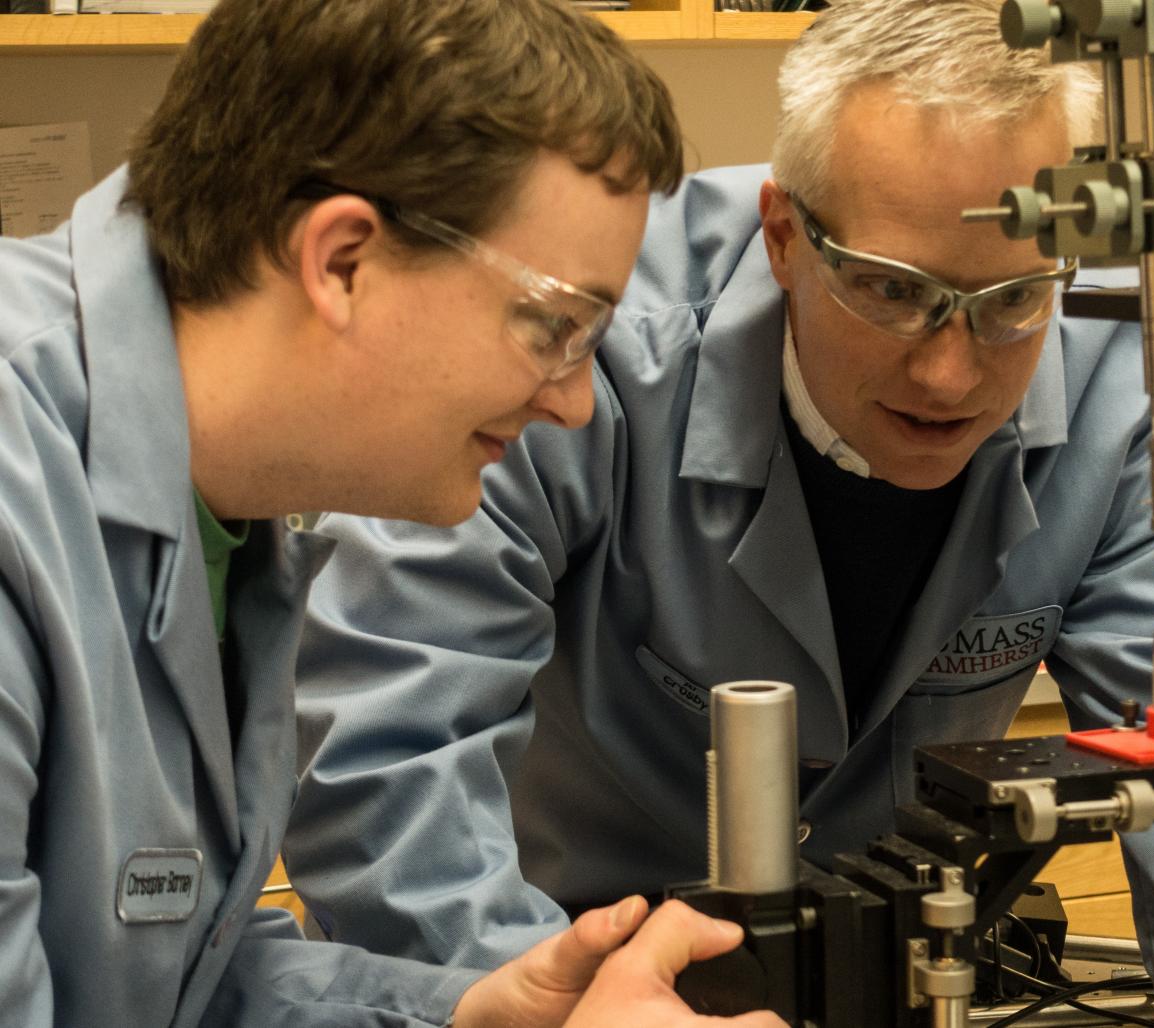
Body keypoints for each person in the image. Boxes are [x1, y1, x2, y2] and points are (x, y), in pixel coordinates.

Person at [286, 0, 1154, 1023]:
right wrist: (556, 1014)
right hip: (565, 963)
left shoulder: (1117, 370)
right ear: (785, 236)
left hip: (900, 972)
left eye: (1009, 303)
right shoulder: (581, 352)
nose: (950, 372)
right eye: (894, 289)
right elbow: (387, 750)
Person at [0, 0, 787, 1025]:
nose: (575, 399)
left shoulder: (232, 506)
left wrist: (468, 1018)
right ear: (342, 262)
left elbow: (177, 983)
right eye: (555, 324)